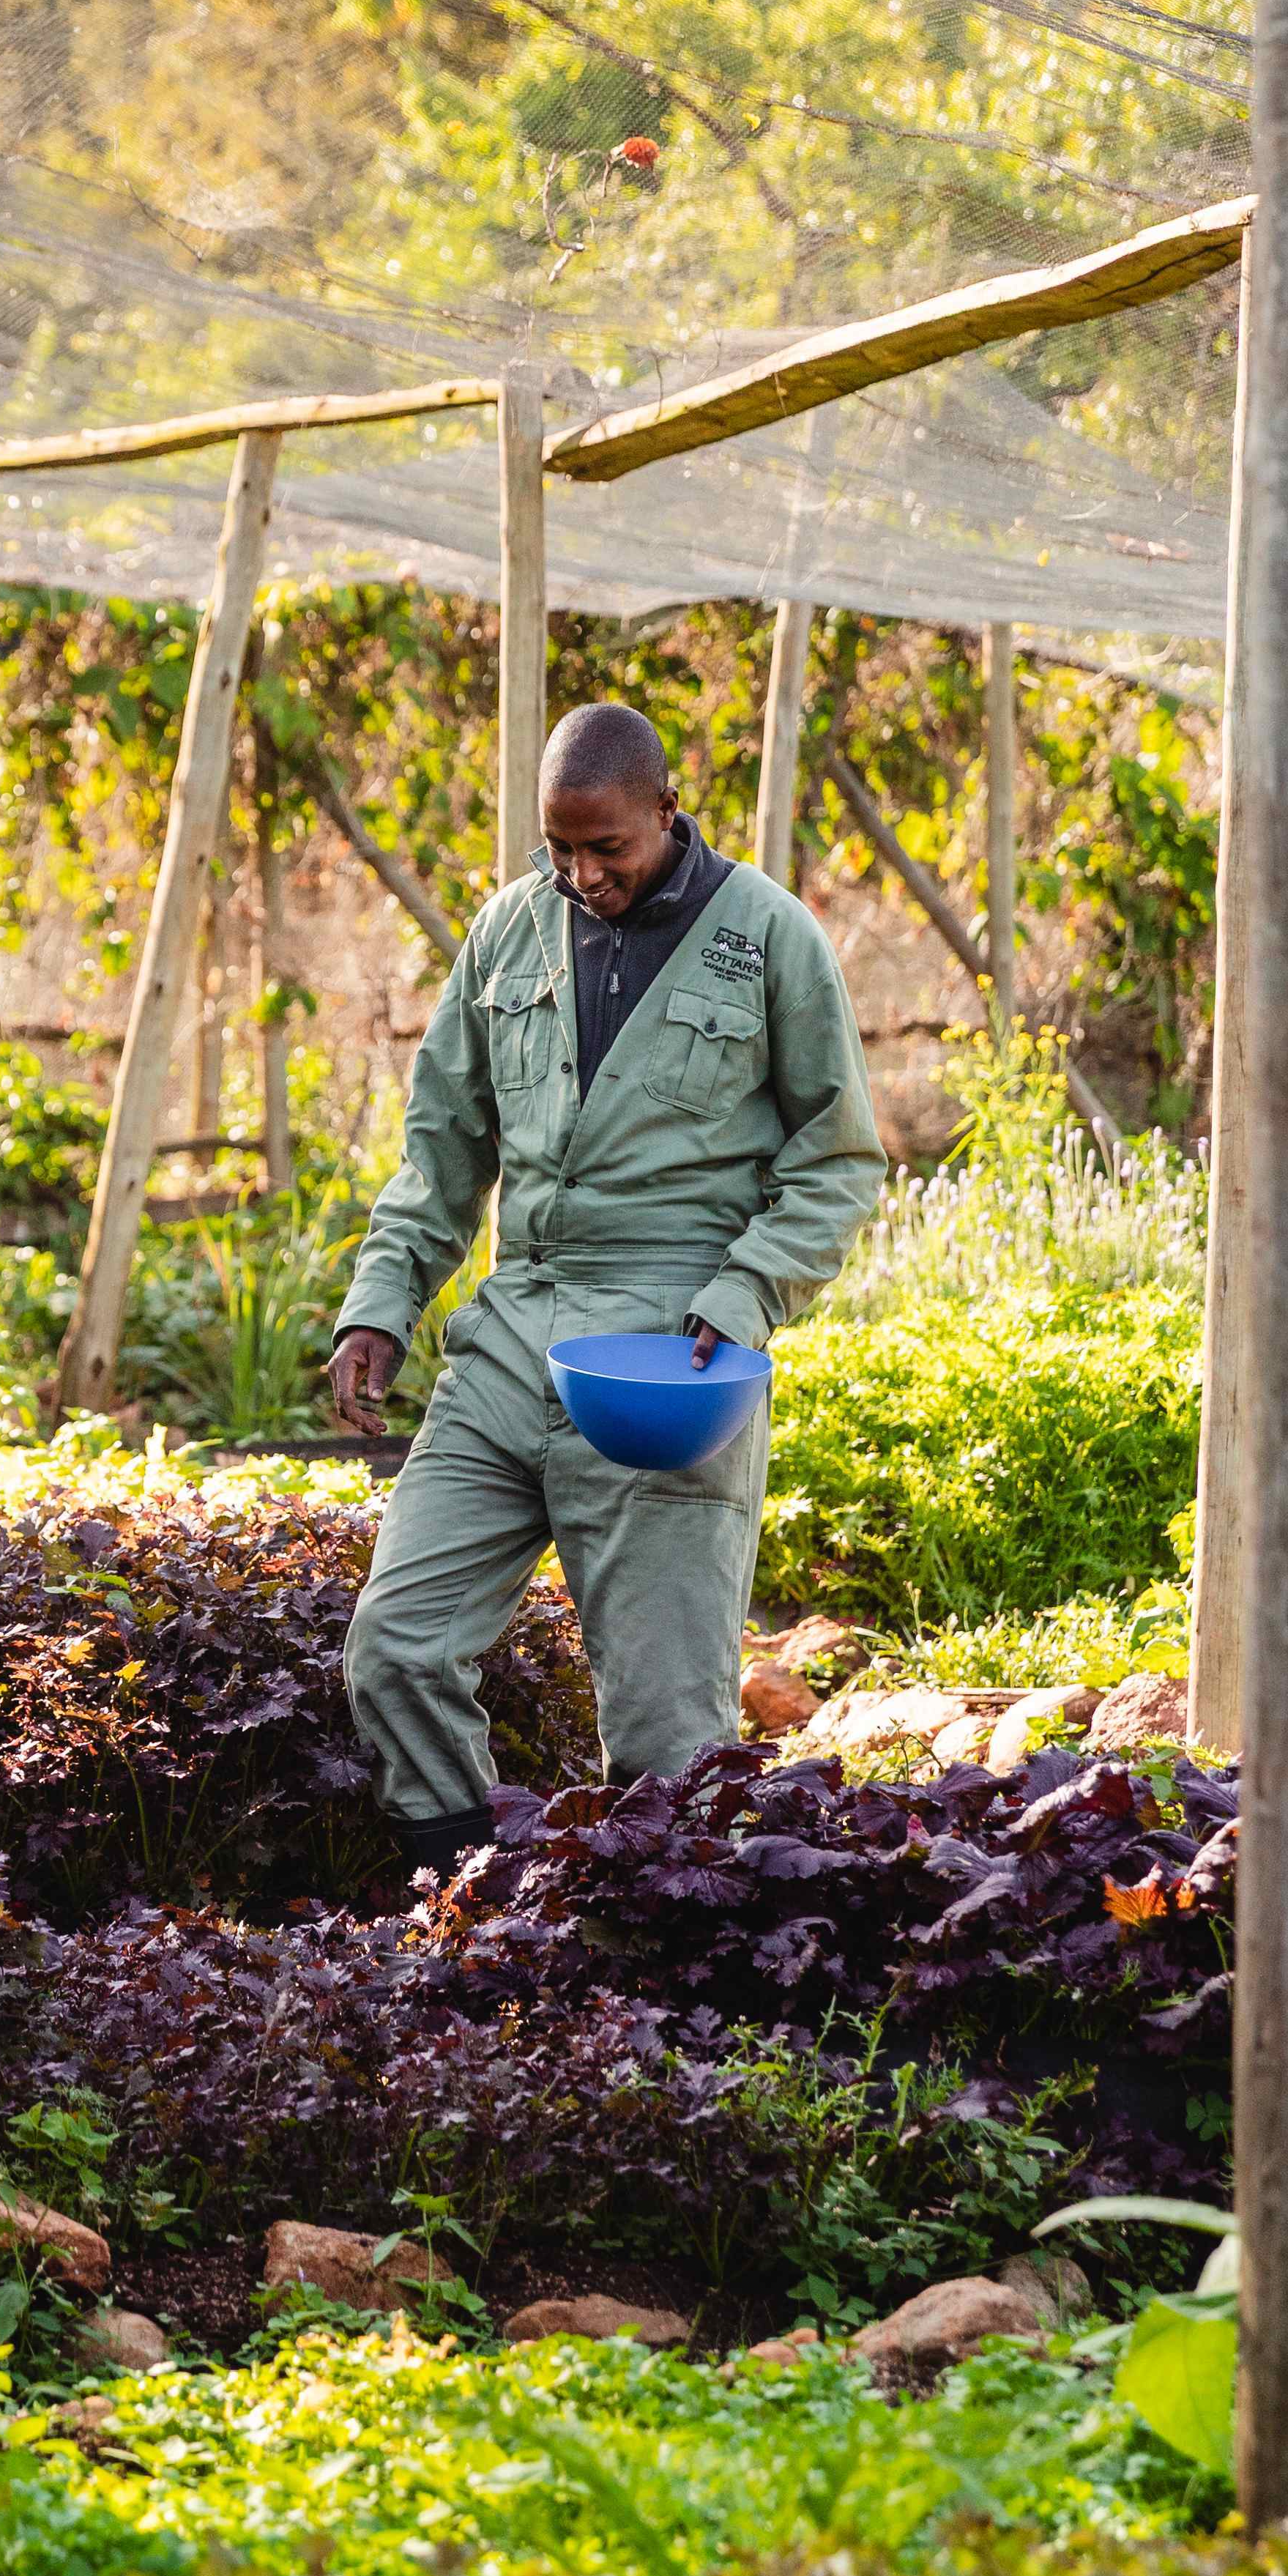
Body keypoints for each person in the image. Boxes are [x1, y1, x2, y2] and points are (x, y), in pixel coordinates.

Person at [331, 699, 882, 1865]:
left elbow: (837, 1162)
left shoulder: (769, 938)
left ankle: (661, 1996)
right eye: (562, 848)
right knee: (397, 1647)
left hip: (666, 1361)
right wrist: (382, 1306)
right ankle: (468, 1908)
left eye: (609, 849)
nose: (584, 874)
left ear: (668, 815)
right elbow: (441, 1153)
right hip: (511, 1337)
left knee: (665, 1732)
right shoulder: (506, 934)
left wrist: (742, 1302)